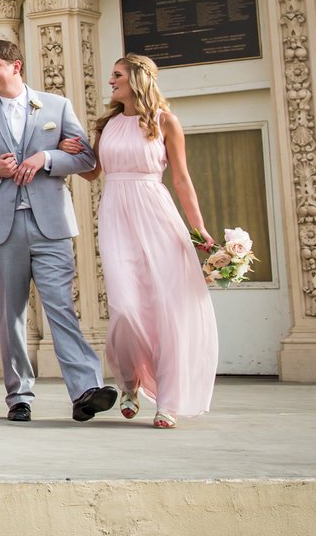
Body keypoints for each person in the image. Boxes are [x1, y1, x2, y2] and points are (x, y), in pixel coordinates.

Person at [0, 39, 114, 423]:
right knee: (10, 315)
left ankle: (85, 390)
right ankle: (19, 396)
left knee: (61, 307)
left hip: (51, 224)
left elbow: (86, 159)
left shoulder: (56, 106)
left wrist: (46, 157)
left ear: (16, 66)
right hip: (1, 229)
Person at [69, 55, 219, 427]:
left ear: (138, 79)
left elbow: (181, 179)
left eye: (117, 75)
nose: (110, 81)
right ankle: (130, 381)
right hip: (116, 216)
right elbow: (93, 173)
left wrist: (198, 228)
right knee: (125, 308)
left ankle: (167, 402)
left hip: (157, 215)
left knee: (166, 309)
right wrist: (69, 153)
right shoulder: (106, 124)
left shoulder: (165, 122)